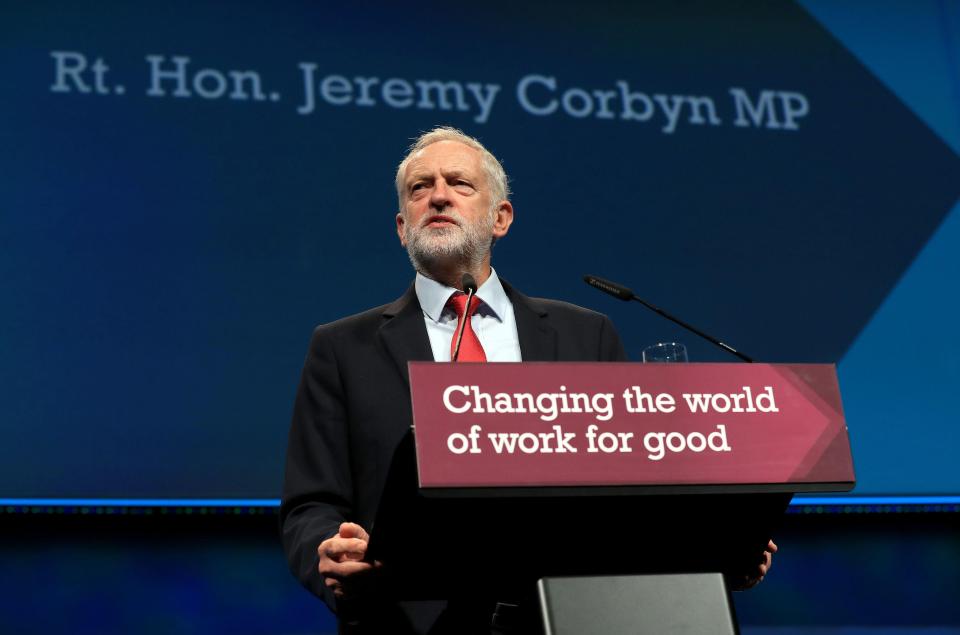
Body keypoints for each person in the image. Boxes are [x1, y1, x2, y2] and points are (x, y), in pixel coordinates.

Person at [280, 127, 775, 633]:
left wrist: (717, 546)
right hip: (407, 619)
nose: (438, 196)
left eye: (459, 184)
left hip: (574, 615)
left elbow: (635, 491)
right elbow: (310, 504)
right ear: (402, 226)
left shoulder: (586, 335)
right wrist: (332, 553)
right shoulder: (342, 348)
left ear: (501, 218)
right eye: (420, 188)